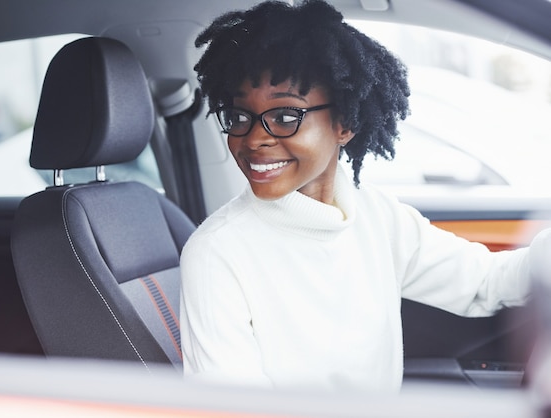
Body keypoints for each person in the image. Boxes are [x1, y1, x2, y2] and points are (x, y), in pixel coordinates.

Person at [179, 0, 550, 392]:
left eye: (285, 117)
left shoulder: (377, 216)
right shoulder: (216, 254)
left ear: (345, 124)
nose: (254, 138)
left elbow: (487, 283)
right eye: (238, 117)